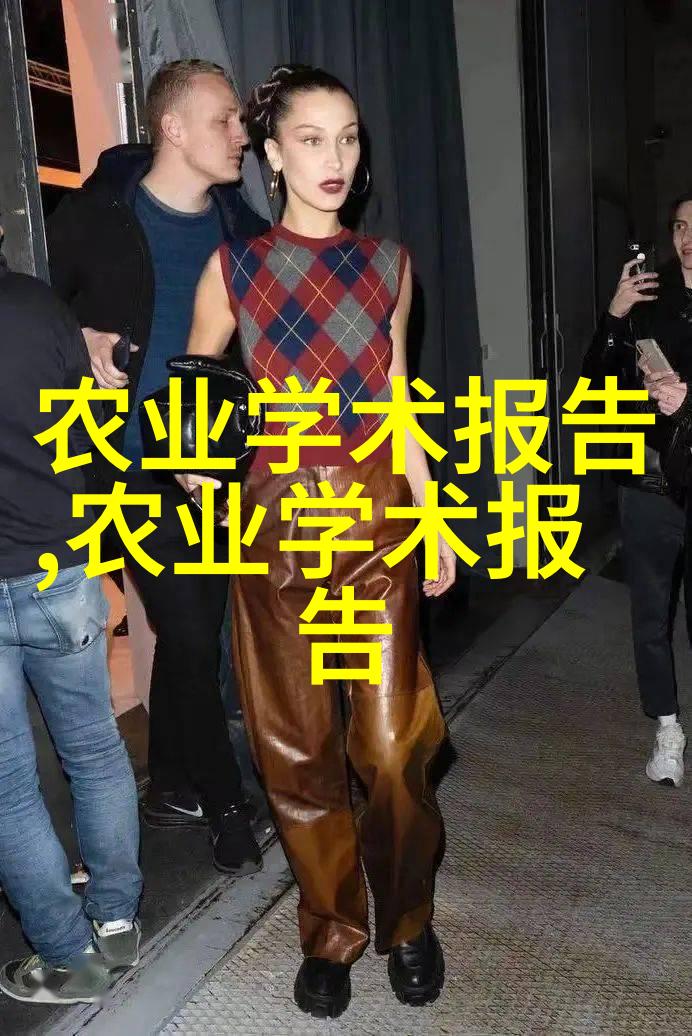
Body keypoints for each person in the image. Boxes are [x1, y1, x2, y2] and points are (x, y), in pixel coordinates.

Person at [185, 64, 452, 1019]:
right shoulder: (235, 270)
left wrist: (431, 514)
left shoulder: (389, 266)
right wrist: (195, 463)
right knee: (296, 752)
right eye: (310, 139)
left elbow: (397, 399)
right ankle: (332, 929)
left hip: (377, 522)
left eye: (347, 138)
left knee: (392, 745)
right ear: (271, 154)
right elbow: (197, 381)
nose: (334, 158)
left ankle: (407, 921)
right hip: (277, 533)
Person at [46, 60, 269, 873]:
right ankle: (226, 806)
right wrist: (81, 339)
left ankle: (173, 783)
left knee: (193, 631)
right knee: (188, 627)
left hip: (211, 467)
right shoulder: (97, 217)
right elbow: (34, 307)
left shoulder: (241, 229)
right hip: (128, 469)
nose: (241, 135)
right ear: (172, 128)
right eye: (224, 120)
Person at [0, 231, 142, 1005]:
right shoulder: (41, 307)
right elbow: (88, 429)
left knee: (7, 783)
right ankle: (116, 920)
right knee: (94, 750)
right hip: (61, 566)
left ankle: (67, 959)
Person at [583, 194, 692, 787]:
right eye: (679, 226)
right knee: (651, 613)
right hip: (649, 479)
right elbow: (594, 387)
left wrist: (688, 399)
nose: (687, 238)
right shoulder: (649, 300)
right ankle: (667, 728)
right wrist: (615, 314)